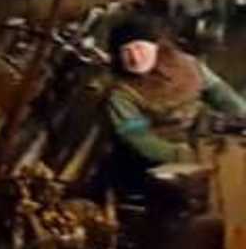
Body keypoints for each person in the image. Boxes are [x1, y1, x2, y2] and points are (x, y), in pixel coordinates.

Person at [105, 14, 246, 169]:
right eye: (126, 52)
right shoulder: (121, 94)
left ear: (155, 46)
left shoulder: (187, 64)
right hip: (161, 157)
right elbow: (138, 138)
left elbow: (221, 94)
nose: (135, 58)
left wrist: (242, 116)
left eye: (140, 47)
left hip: (204, 135)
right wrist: (182, 155)